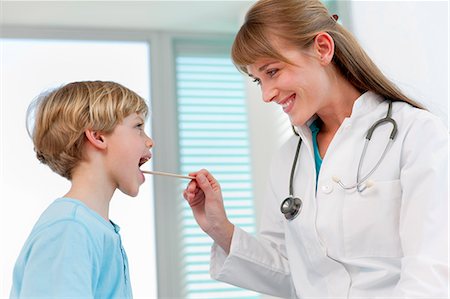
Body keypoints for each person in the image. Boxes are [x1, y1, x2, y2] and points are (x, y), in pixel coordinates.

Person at [183, 0, 449, 298]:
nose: (266, 95)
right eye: (258, 80)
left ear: (323, 48)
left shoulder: (416, 133)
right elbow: (291, 272)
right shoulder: (289, 158)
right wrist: (220, 228)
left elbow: (432, 271)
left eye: (272, 72)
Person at [10, 81, 153, 298]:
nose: (150, 141)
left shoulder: (91, 228)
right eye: (138, 127)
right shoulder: (70, 229)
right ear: (98, 136)